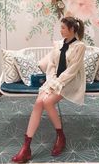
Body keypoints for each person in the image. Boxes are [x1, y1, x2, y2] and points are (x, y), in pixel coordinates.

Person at [12, 16, 86, 163]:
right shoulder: (58, 44)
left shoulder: (80, 46)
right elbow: (52, 65)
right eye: (61, 27)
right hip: (54, 80)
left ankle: (60, 136)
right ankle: (26, 147)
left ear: (72, 29)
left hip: (70, 81)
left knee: (48, 102)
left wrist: (57, 82)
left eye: (63, 28)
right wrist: (51, 80)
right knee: (39, 102)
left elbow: (72, 71)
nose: (61, 30)